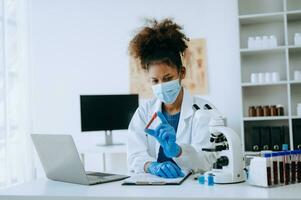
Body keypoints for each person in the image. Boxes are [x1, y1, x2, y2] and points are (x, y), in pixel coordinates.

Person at [127, 18, 216, 178]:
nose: (161, 85)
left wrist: (178, 151)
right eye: (155, 81)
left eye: (167, 78)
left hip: (191, 188)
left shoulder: (205, 111)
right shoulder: (144, 112)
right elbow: (134, 156)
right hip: (154, 187)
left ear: (182, 73)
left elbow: (208, 161)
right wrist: (151, 166)